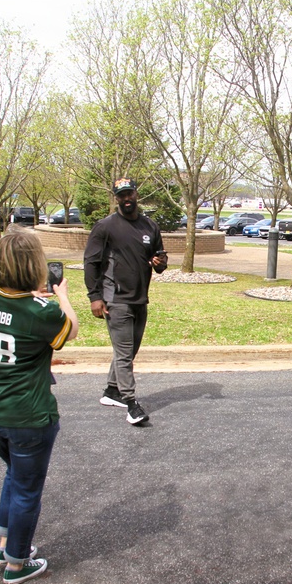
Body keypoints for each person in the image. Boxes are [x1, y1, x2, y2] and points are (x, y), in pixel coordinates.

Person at [0, 226, 78, 584]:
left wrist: (28, 300)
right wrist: (61, 296)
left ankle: (6, 544)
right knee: (28, 488)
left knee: (14, 476)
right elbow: (70, 330)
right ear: (35, 266)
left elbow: (2, 317)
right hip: (29, 416)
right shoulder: (42, 312)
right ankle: (17, 562)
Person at [84, 178, 167, 425]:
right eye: (121, 195)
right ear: (116, 198)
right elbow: (91, 263)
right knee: (123, 353)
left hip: (140, 299)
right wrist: (95, 297)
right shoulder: (105, 227)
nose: (126, 199)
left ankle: (111, 391)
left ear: (136, 194)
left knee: (129, 351)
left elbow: (159, 259)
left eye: (129, 193)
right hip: (115, 299)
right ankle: (131, 404)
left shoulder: (149, 226)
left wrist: (160, 264)